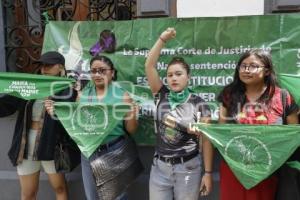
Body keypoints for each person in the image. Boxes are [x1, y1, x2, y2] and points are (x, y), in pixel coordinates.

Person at [47, 55, 143, 200]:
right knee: (92, 197)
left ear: (112, 73)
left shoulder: (123, 96)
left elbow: (131, 130)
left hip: (114, 151)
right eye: (94, 71)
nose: (97, 74)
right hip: (89, 153)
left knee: (118, 197)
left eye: (102, 70)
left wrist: (133, 114)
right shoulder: (83, 95)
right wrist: (56, 111)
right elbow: (76, 125)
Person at [217, 49, 299, 200]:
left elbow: (293, 136)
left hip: (267, 171)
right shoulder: (229, 94)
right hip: (234, 169)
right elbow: (221, 132)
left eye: (253, 66)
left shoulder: (282, 96)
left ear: (267, 71)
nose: (246, 70)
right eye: (243, 66)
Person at [145, 27, 214, 200]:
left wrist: (208, 173)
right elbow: (149, 65)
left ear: (188, 77)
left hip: (188, 168)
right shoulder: (161, 94)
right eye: (169, 75)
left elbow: (206, 140)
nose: (173, 78)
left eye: (178, 74)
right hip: (160, 168)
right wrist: (162, 39)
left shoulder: (199, 103)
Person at [0, 51, 78, 200]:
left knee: (60, 187)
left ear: (61, 67)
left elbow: (74, 116)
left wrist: (63, 103)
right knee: (28, 193)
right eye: (42, 66)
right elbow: (7, 105)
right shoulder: (31, 86)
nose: (44, 69)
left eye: (48, 65)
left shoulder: (68, 88)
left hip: (52, 144)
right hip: (26, 143)